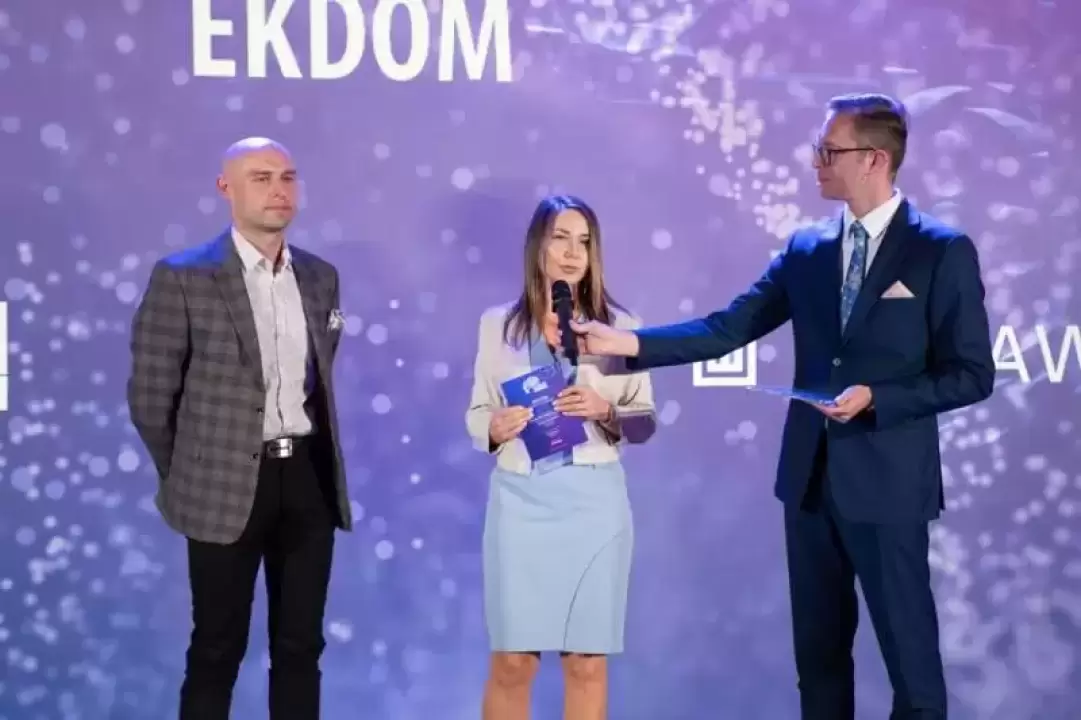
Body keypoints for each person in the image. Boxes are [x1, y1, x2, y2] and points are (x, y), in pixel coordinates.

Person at [570, 94, 995, 720]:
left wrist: (880, 398)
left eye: (829, 150)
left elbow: (972, 374)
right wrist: (626, 344)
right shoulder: (807, 250)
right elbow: (727, 328)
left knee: (914, 677)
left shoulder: (940, 249)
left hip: (889, 488)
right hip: (809, 485)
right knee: (819, 668)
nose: (816, 161)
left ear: (875, 159)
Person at [127, 137, 352, 720]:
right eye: (261, 177)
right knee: (216, 649)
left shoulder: (320, 277)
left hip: (306, 480)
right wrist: (192, 469)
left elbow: (318, 380)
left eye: (287, 177)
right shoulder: (184, 277)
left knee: (301, 648)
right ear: (226, 188)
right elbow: (150, 398)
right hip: (220, 484)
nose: (279, 190)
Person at [466, 195, 658, 720]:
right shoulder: (498, 325)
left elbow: (644, 422)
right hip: (520, 500)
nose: (574, 253)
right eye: (561, 238)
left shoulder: (621, 325)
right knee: (512, 662)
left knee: (586, 664)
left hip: (594, 504)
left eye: (585, 242)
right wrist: (493, 426)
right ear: (538, 246)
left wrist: (605, 410)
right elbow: (478, 411)